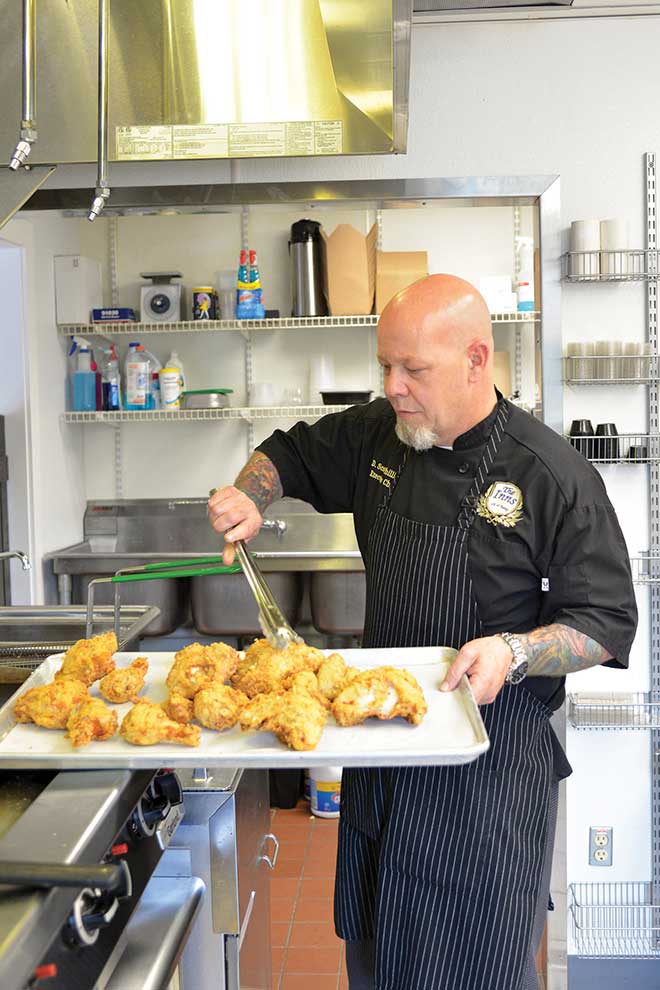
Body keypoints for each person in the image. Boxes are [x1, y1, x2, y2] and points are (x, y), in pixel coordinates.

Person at [208, 274, 637, 990]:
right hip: (383, 751)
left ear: (476, 360)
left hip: (488, 771)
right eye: (385, 365)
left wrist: (516, 650)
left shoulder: (550, 474)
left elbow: (607, 621)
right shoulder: (381, 434)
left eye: (413, 369)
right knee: (375, 955)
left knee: (479, 964)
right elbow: (287, 454)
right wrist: (248, 497)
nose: (393, 387)